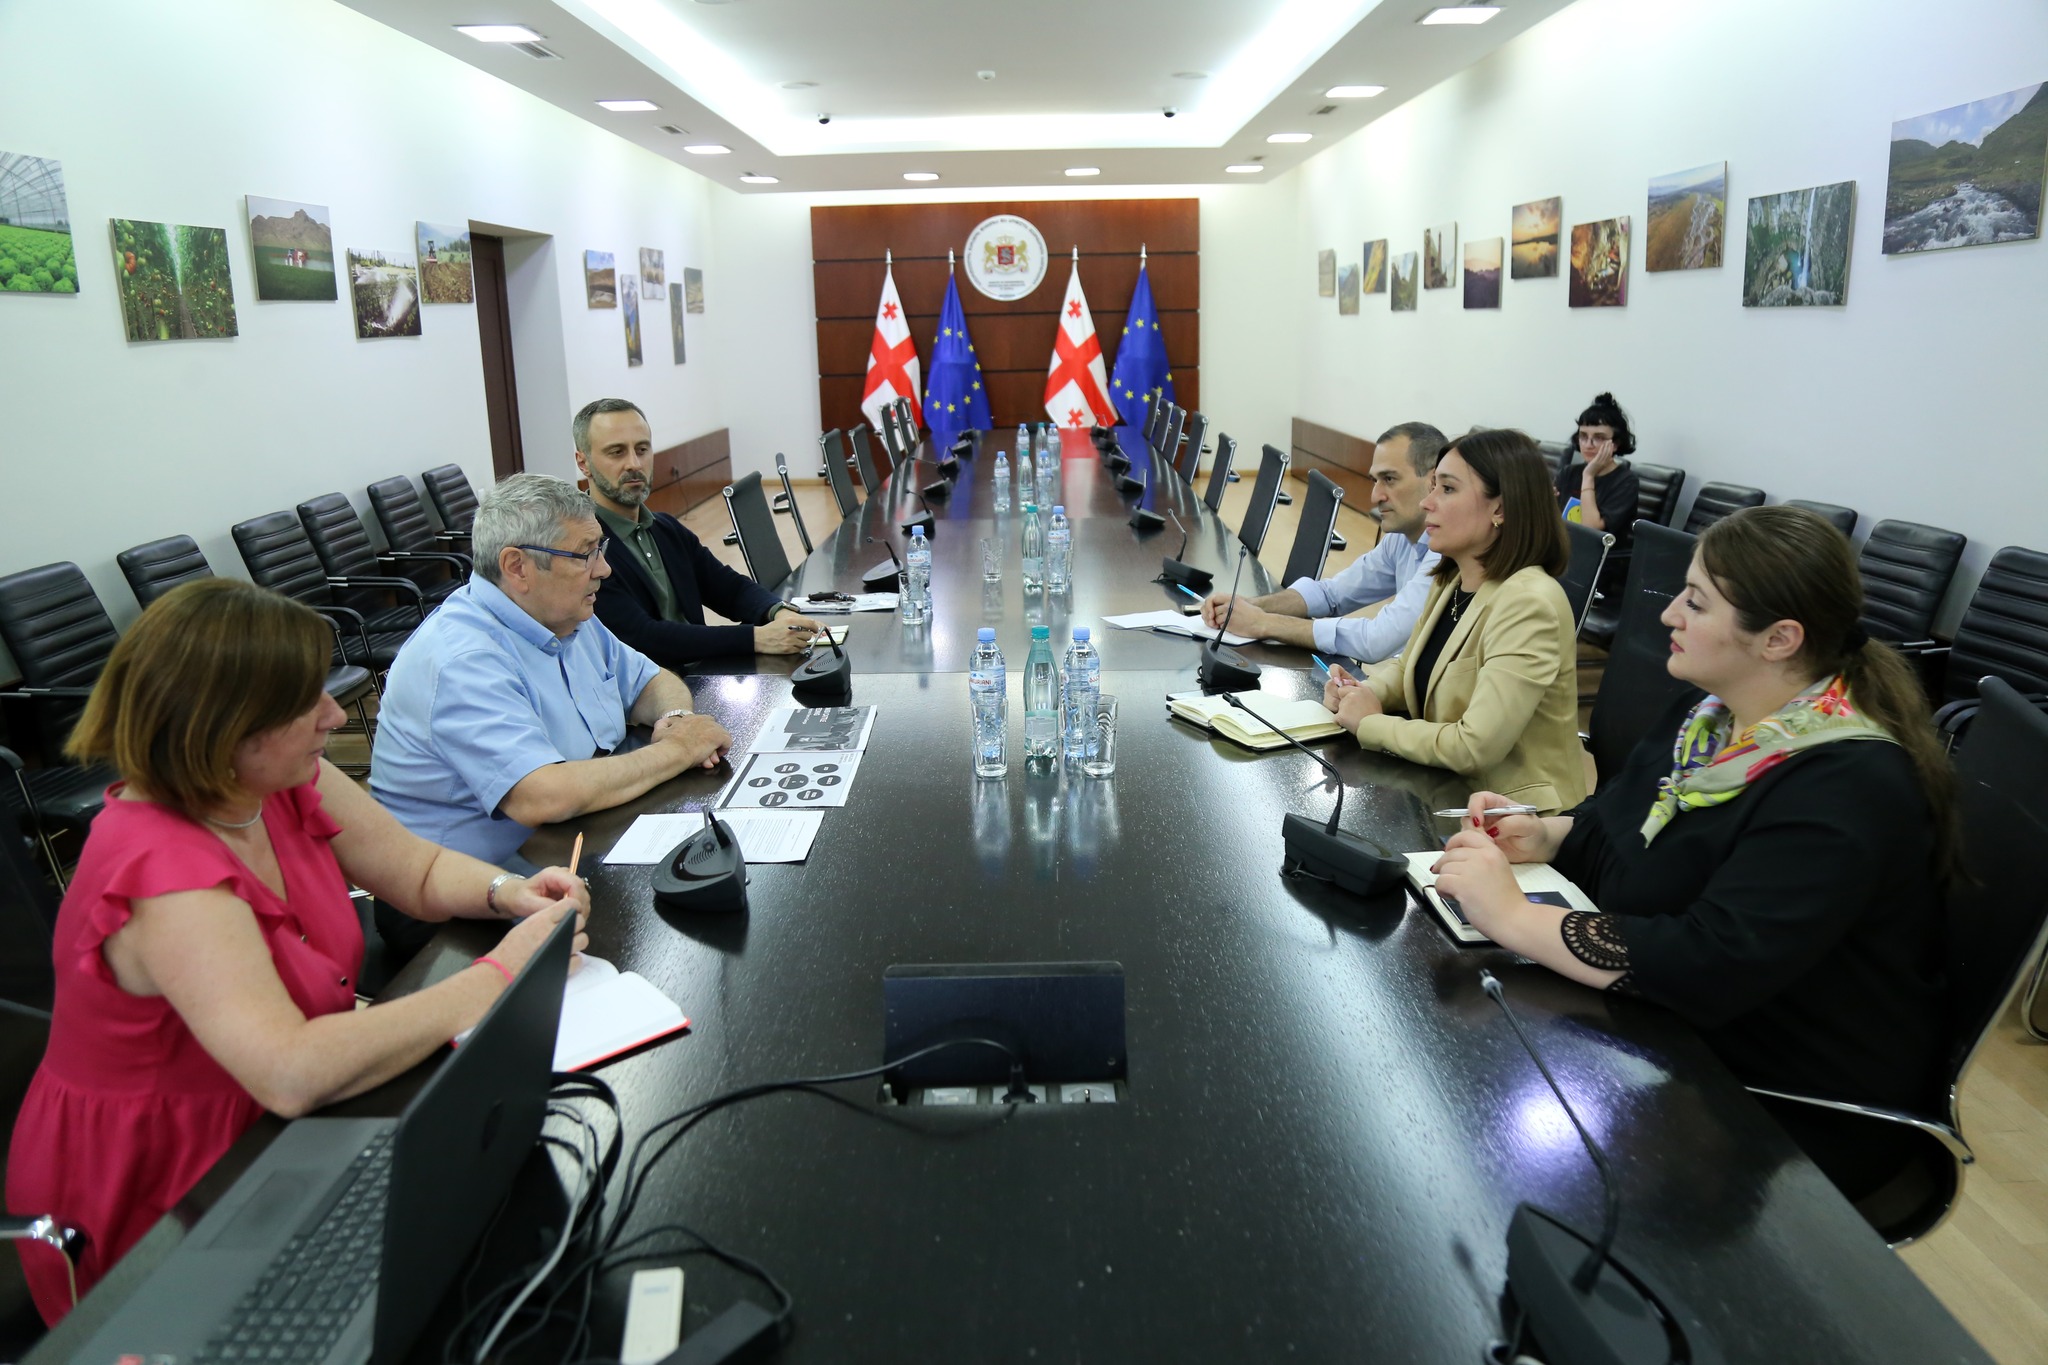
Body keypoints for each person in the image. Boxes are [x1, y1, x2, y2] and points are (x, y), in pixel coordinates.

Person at [5, 579, 591, 1323]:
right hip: (170, 1180)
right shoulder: (164, 872)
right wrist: (504, 974)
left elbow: (413, 869)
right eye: (303, 702)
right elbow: (290, 1070)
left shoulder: (271, 776)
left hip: (273, 1120)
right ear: (226, 727)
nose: (336, 714)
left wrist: (509, 892)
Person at [1432, 506, 1952, 1201]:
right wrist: (1548, 833)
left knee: (1499, 1150)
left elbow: (1710, 963)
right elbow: (1621, 821)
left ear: (1779, 639)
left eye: (1697, 602)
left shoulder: (1847, 786)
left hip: (1779, 1096)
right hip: (1682, 1036)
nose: (1669, 613)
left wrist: (1514, 916)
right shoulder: (1712, 717)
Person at [370, 474, 731, 953]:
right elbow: (542, 796)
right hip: (458, 905)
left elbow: (651, 681)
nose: (604, 569)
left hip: (561, 847)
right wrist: (679, 750)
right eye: (586, 554)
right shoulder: (461, 659)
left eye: (601, 549)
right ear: (517, 567)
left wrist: (677, 718)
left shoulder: (566, 615)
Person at [1320, 429, 1585, 814]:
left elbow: (1475, 746)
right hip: (1445, 790)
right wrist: (1362, 692)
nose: (1427, 503)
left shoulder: (1530, 603)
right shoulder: (1452, 578)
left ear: (1500, 509)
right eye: (1432, 488)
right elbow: (1410, 668)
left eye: (1446, 489)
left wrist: (1370, 723)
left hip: (1514, 818)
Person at [573, 398, 825, 669]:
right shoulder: (585, 550)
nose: (634, 463)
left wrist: (778, 611)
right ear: (583, 463)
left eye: (642, 449)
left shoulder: (666, 529)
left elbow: (728, 587)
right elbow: (643, 637)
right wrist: (756, 638)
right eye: (616, 452)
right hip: (654, 690)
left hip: (702, 672)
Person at [1200, 421, 1445, 663]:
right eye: (1375, 481)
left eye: (1389, 479)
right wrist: (1250, 606)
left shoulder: (1445, 554)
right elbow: (1332, 595)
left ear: (1434, 481)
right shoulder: (1401, 538)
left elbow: (1376, 640)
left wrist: (1263, 623)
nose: (1375, 496)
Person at [1553, 391, 1641, 563]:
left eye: (1599, 438)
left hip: (1598, 560)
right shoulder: (1568, 472)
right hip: (1563, 552)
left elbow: (1590, 531)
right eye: (1583, 436)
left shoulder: (1626, 481)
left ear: (1615, 444)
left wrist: (1588, 476)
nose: (1588, 445)